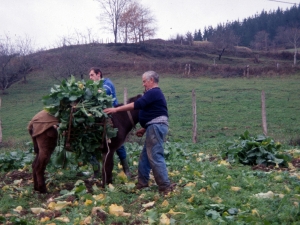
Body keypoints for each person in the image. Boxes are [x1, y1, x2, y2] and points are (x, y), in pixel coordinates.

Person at [104, 70, 176, 195]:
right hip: (154, 126)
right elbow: (156, 112)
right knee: (145, 157)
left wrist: (116, 110)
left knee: (155, 156)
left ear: (151, 80)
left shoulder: (153, 92)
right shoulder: (154, 94)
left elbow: (138, 105)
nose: (143, 84)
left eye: (144, 81)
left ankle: (165, 186)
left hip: (156, 126)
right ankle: (142, 184)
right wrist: (144, 128)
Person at [88, 67, 131, 178]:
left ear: (99, 74)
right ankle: (96, 171)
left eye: (92, 75)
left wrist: (91, 93)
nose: (90, 77)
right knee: (90, 141)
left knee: (117, 143)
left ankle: (126, 169)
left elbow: (102, 93)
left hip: (112, 117)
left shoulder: (107, 83)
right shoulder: (93, 86)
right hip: (98, 119)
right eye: (89, 75)